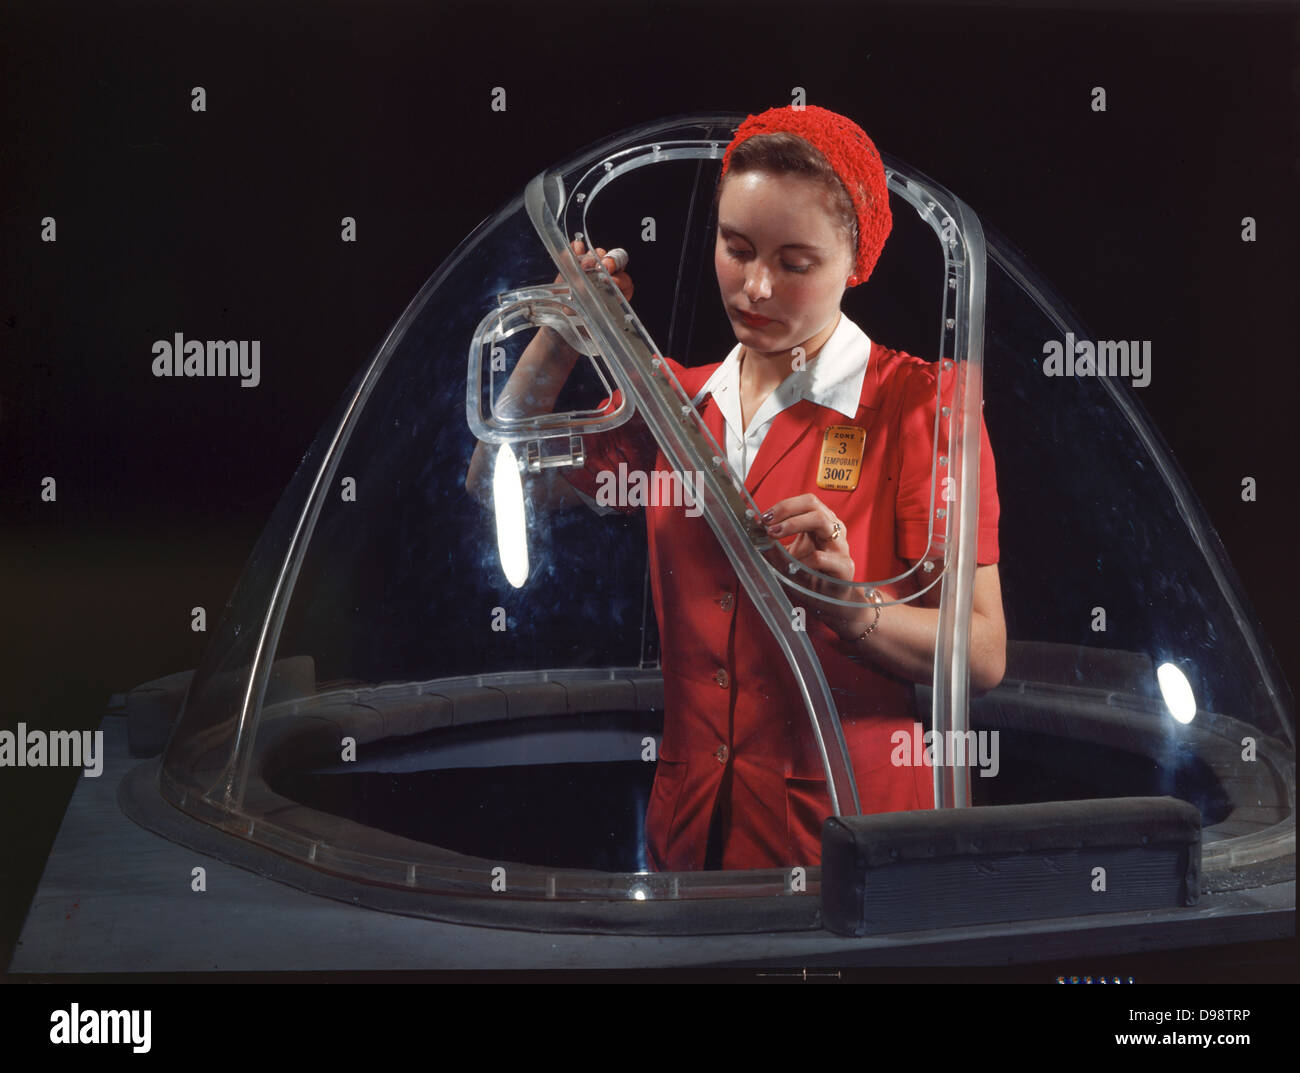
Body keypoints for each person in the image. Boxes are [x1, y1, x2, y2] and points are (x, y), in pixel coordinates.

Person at [468, 104, 1005, 871]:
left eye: (795, 263)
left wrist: (853, 611)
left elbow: (982, 653)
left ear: (855, 261)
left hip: (854, 842)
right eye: (736, 247)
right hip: (691, 841)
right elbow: (494, 479)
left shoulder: (922, 407)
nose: (755, 287)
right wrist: (561, 332)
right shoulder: (672, 405)